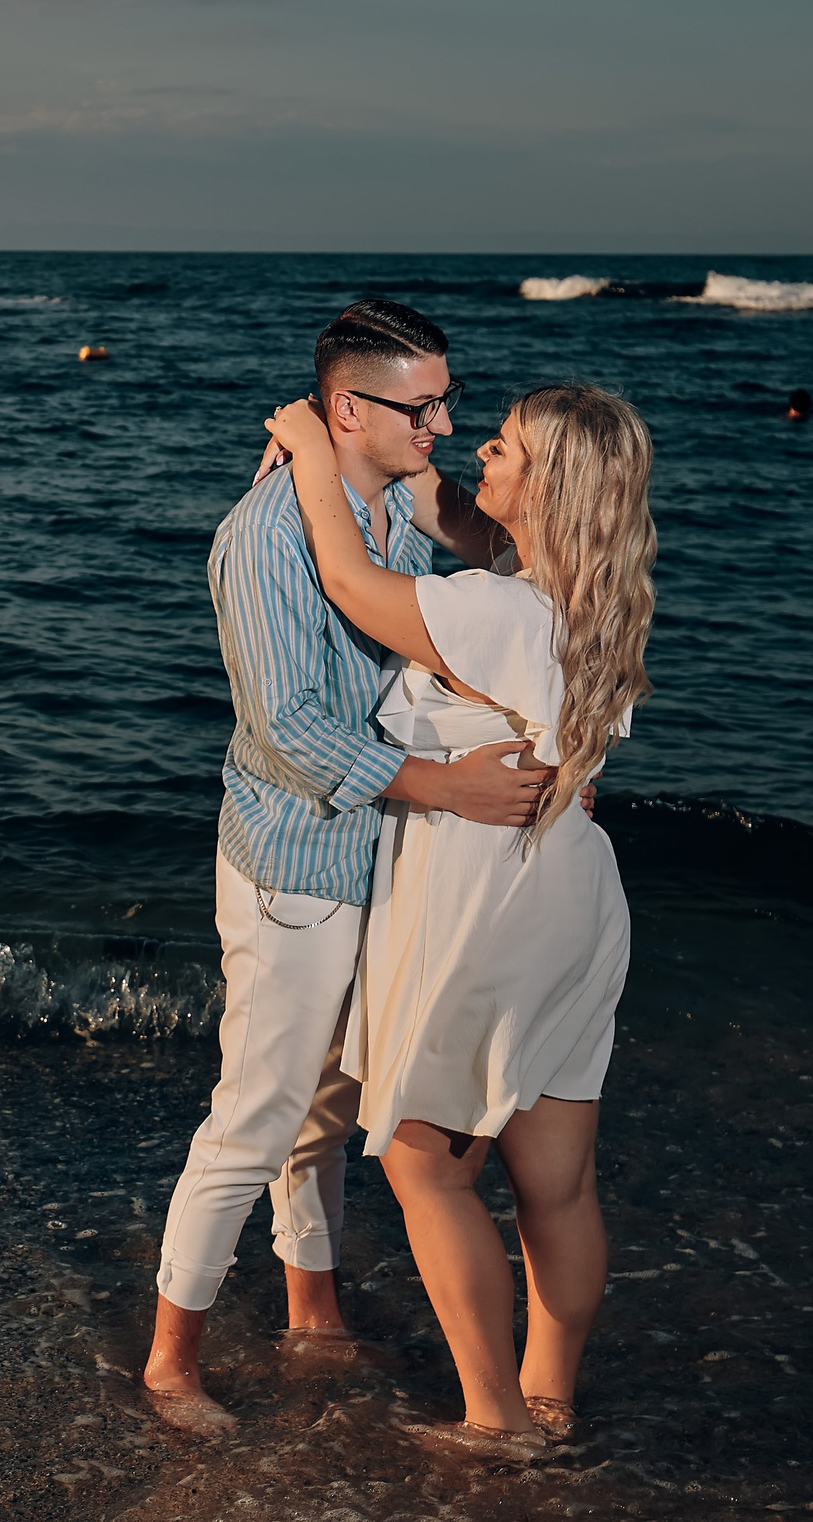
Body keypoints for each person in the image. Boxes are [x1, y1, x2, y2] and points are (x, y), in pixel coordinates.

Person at [141, 300, 554, 1436]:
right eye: (421, 406)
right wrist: (450, 788)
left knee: (327, 1102)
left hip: (379, 855)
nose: (442, 421)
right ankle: (170, 1359)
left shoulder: (385, 509)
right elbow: (290, 729)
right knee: (257, 1111)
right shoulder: (271, 534)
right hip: (296, 862)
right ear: (346, 410)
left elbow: (491, 575)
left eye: (447, 400)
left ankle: (310, 1303)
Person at [259, 381, 654, 1453]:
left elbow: (348, 579)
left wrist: (306, 447)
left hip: (483, 894)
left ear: (553, 487)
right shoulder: (594, 605)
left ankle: (490, 1418)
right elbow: (469, 528)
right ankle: (546, 1393)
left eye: (507, 446)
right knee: (555, 1177)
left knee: (425, 1159)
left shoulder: (494, 612)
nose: (478, 445)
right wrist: (422, 475)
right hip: (572, 894)